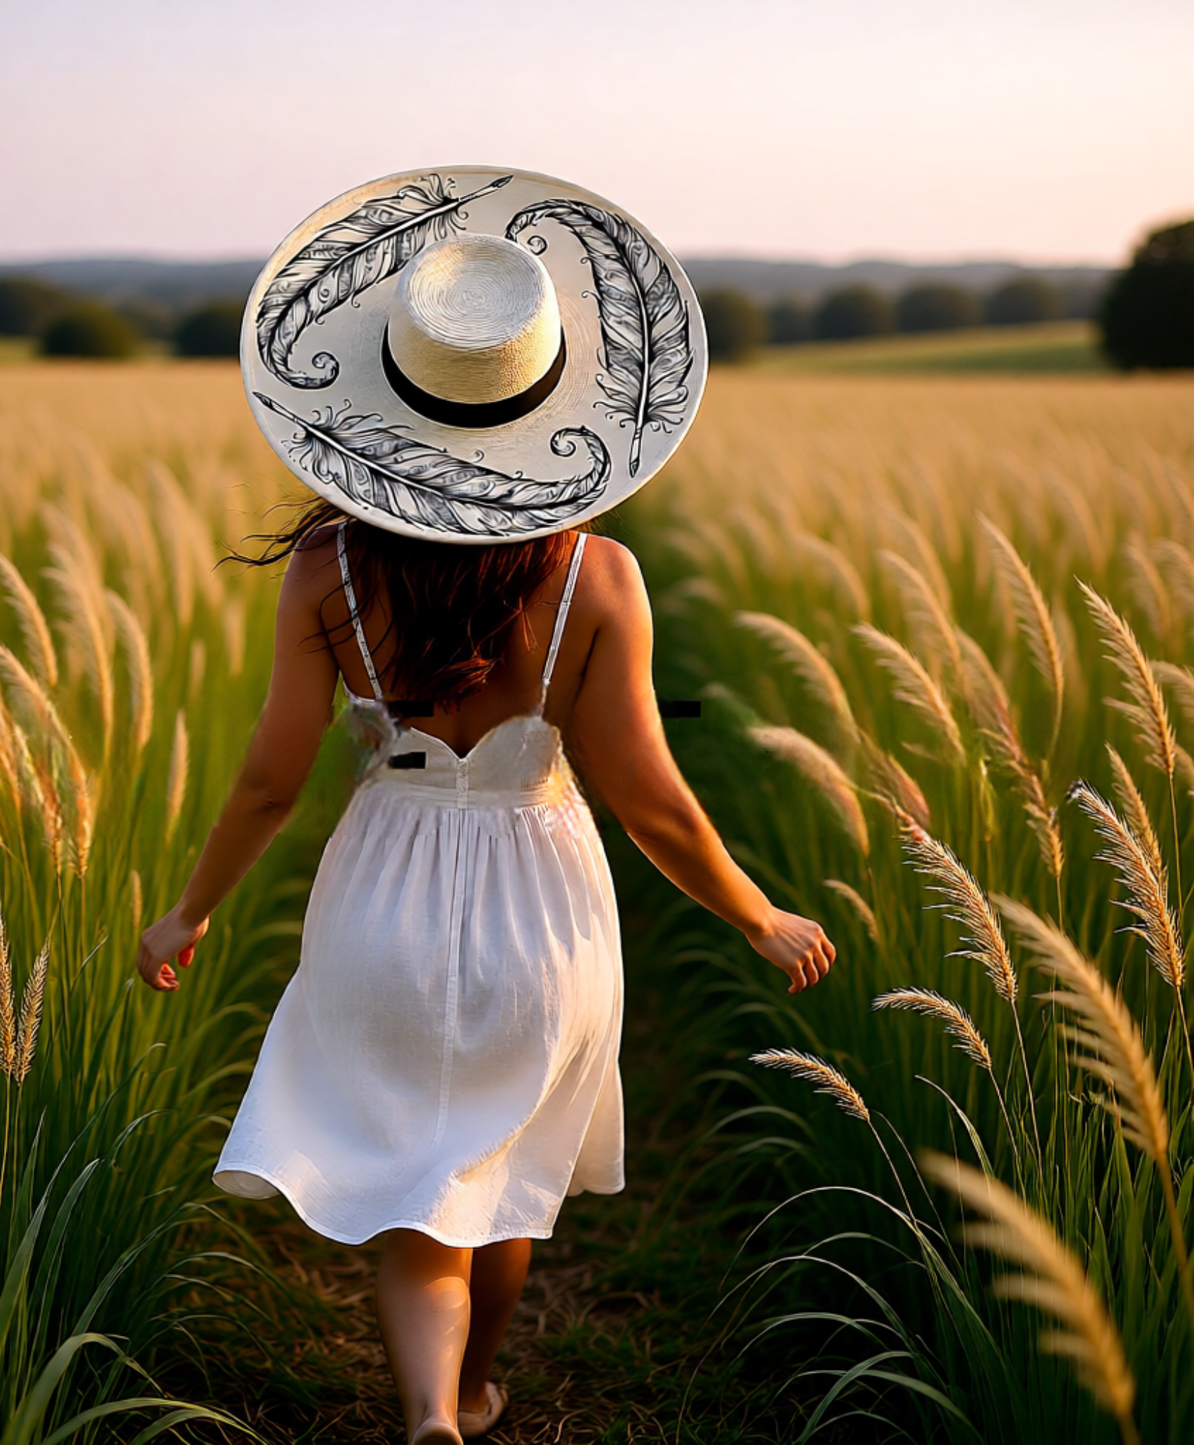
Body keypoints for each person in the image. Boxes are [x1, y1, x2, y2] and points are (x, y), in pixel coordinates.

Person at [134, 167, 835, 1445]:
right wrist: (756, 914)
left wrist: (185, 913)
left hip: (379, 900)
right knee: (506, 1177)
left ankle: (425, 1413)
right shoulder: (598, 576)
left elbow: (267, 780)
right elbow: (652, 803)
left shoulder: (325, 564)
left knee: (419, 1196)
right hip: (543, 910)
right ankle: (469, 1392)